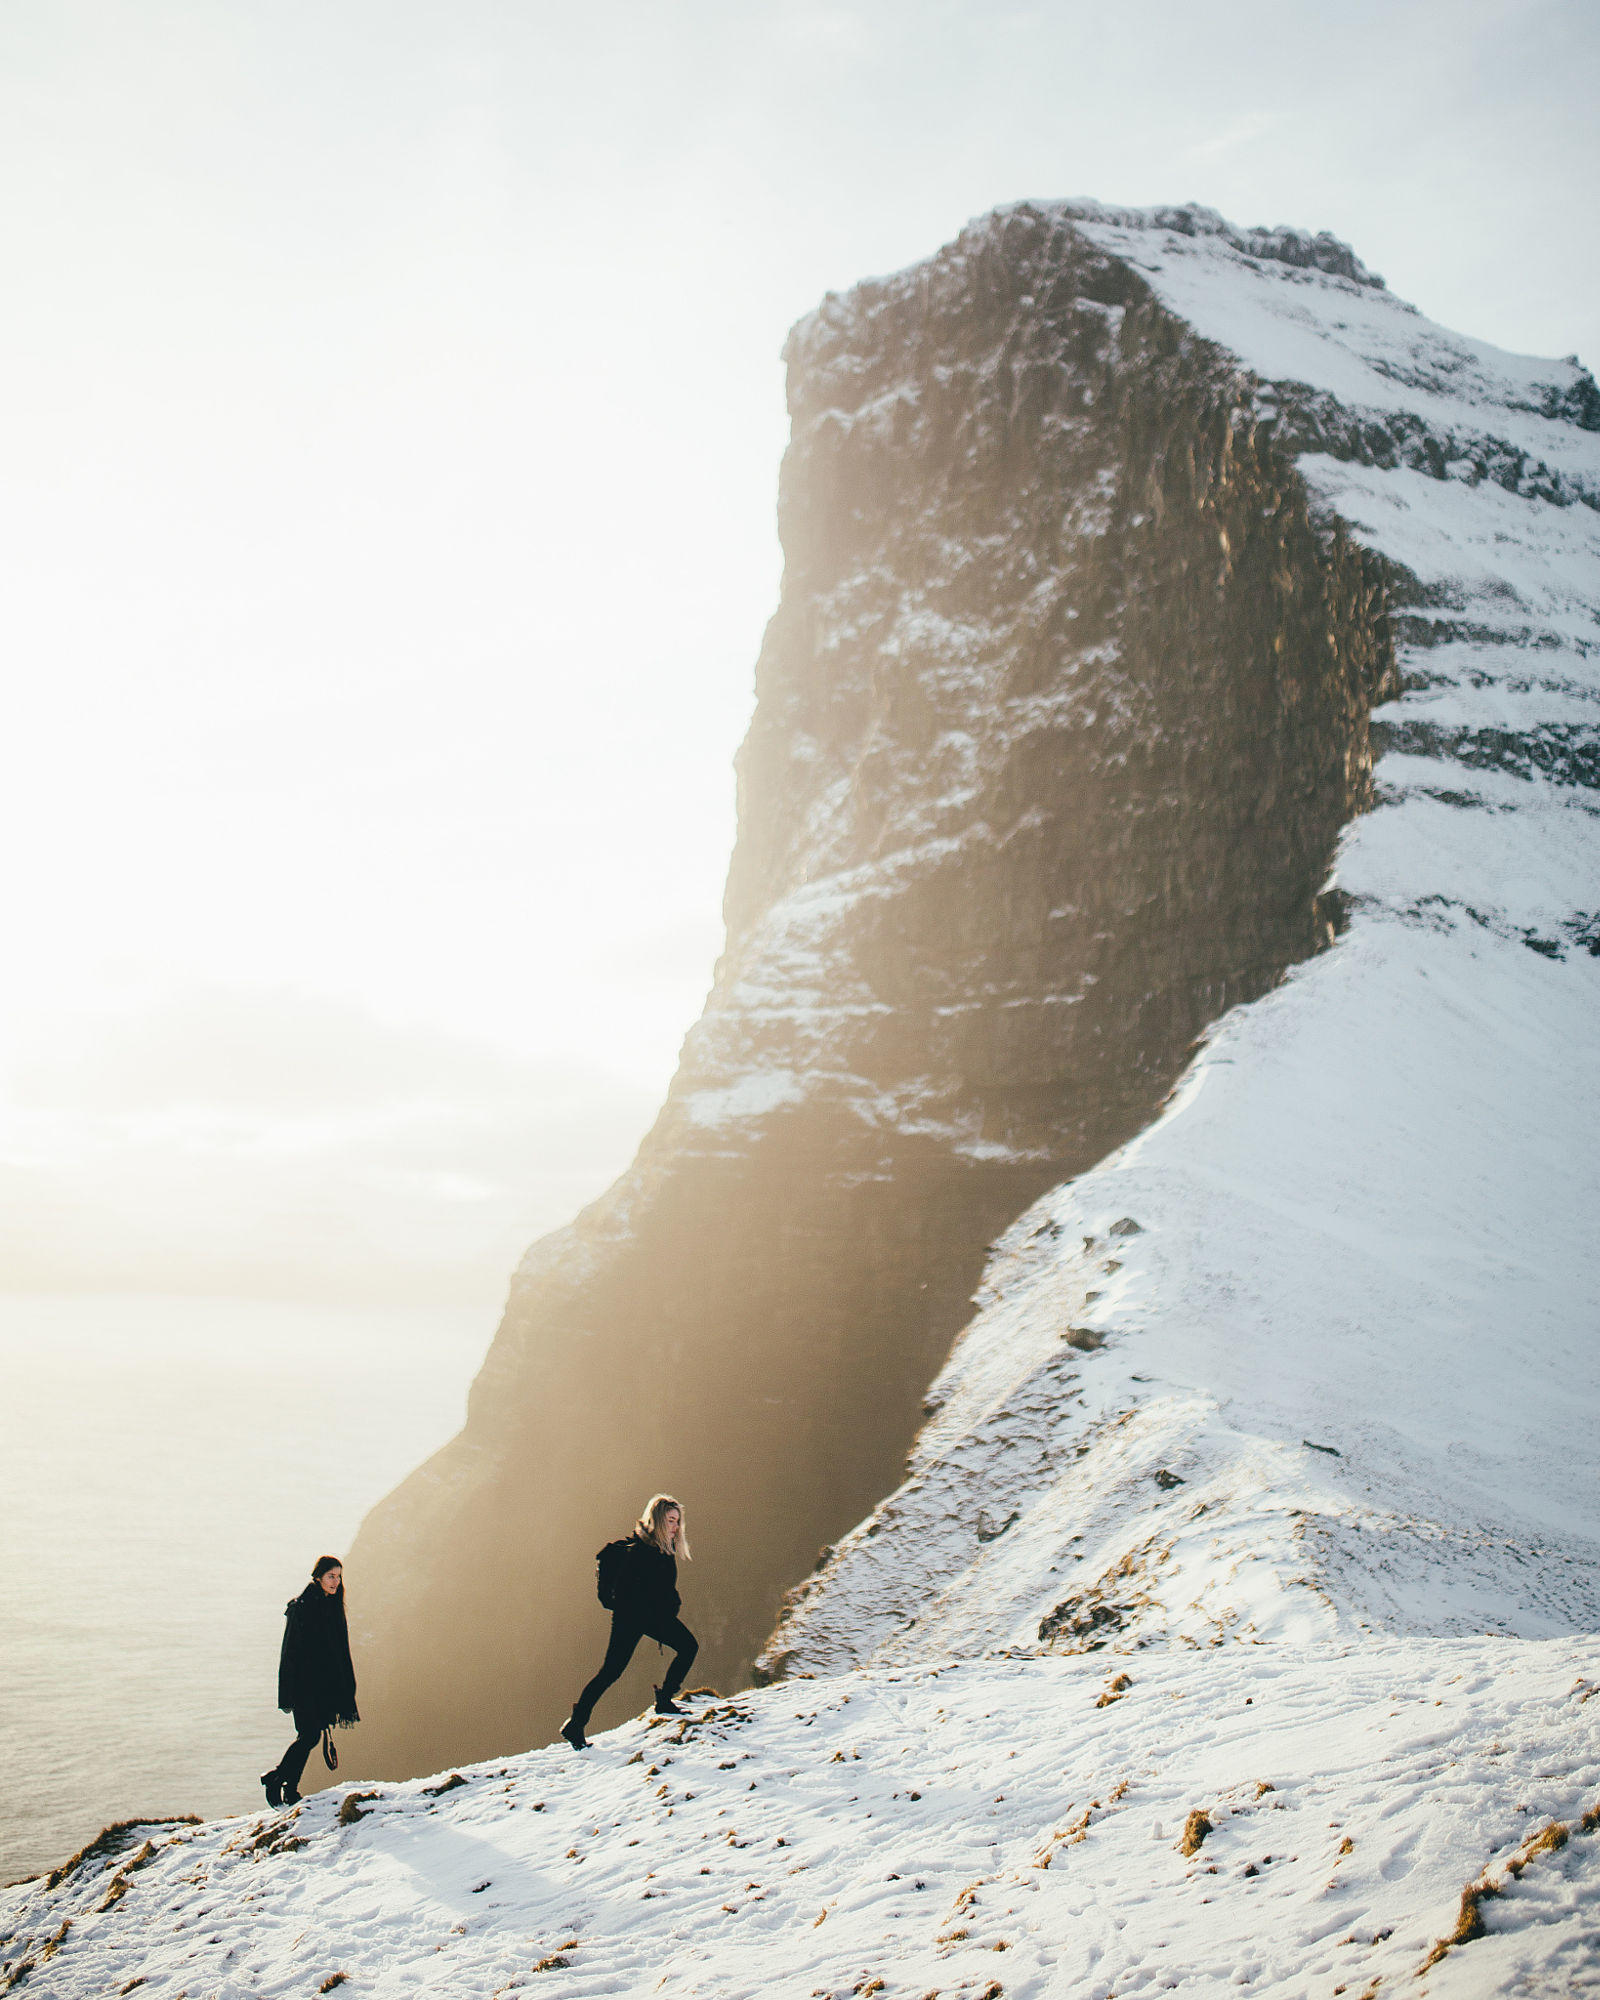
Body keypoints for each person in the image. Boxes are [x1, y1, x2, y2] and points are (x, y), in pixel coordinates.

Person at [562, 1494, 698, 1750]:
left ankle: (664, 1699)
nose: (676, 1527)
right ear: (658, 1520)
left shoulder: (662, 1548)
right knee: (612, 1671)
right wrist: (661, 1608)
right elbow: (632, 1591)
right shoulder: (642, 1552)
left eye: (678, 1521)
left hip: (644, 1618)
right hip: (634, 1619)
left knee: (685, 1648)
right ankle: (576, 1724)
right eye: (671, 1521)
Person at [260, 1555, 360, 1807]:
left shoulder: (330, 1606)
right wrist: (290, 1692)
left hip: (321, 1687)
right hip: (304, 1687)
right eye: (331, 1576)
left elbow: (336, 1652)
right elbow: (290, 1653)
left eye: (338, 1576)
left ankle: (289, 1789)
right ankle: (276, 1778)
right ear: (318, 1576)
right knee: (309, 1735)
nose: (336, 1582)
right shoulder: (302, 1608)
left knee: (309, 1736)